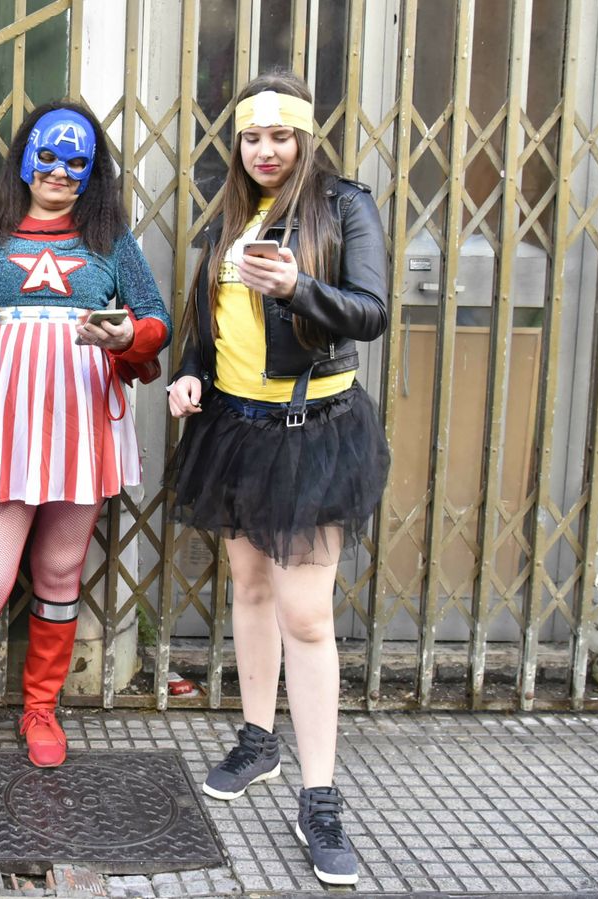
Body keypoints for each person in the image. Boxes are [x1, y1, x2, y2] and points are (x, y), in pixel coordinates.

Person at [166, 71, 391, 887]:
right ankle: (259, 740)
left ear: (306, 138)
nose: (266, 151)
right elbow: (209, 325)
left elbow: (371, 310)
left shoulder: (344, 207)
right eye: (252, 138)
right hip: (236, 428)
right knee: (250, 588)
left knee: (306, 614)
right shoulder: (232, 216)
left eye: (281, 136)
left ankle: (320, 794)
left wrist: (300, 286)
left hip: (316, 432)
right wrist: (191, 376)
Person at [0, 101, 170, 770]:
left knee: (61, 573)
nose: (60, 170)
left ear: (94, 172)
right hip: (2, 422)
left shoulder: (110, 237)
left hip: (79, 419)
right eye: (48, 155)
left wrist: (129, 335)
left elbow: (154, 321)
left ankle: (41, 707)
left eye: (76, 160)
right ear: (23, 157)